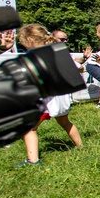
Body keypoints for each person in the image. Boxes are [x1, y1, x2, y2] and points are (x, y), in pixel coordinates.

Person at [13, 24, 83, 167]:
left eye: (22, 40)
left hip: (46, 100)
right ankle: (80, 146)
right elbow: (79, 68)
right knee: (65, 122)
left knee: (29, 128)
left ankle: (33, 160)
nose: (21, 43)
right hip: (61, 98)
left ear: (30, 39)